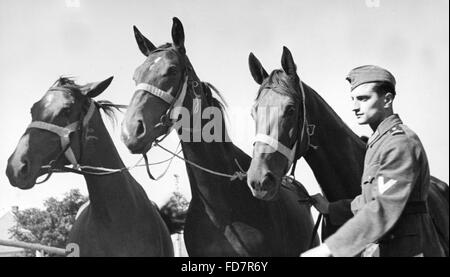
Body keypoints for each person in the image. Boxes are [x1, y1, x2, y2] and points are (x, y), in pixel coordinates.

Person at [301, 65, 445, 257]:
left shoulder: (400, 142)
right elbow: (370, 200)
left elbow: (385, 206)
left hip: (411, 250)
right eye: (353, 99)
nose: (354, 107)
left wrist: (329, 248)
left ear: (387, 100)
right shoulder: (379, 142)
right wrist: (331, 209)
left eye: (363, 99)